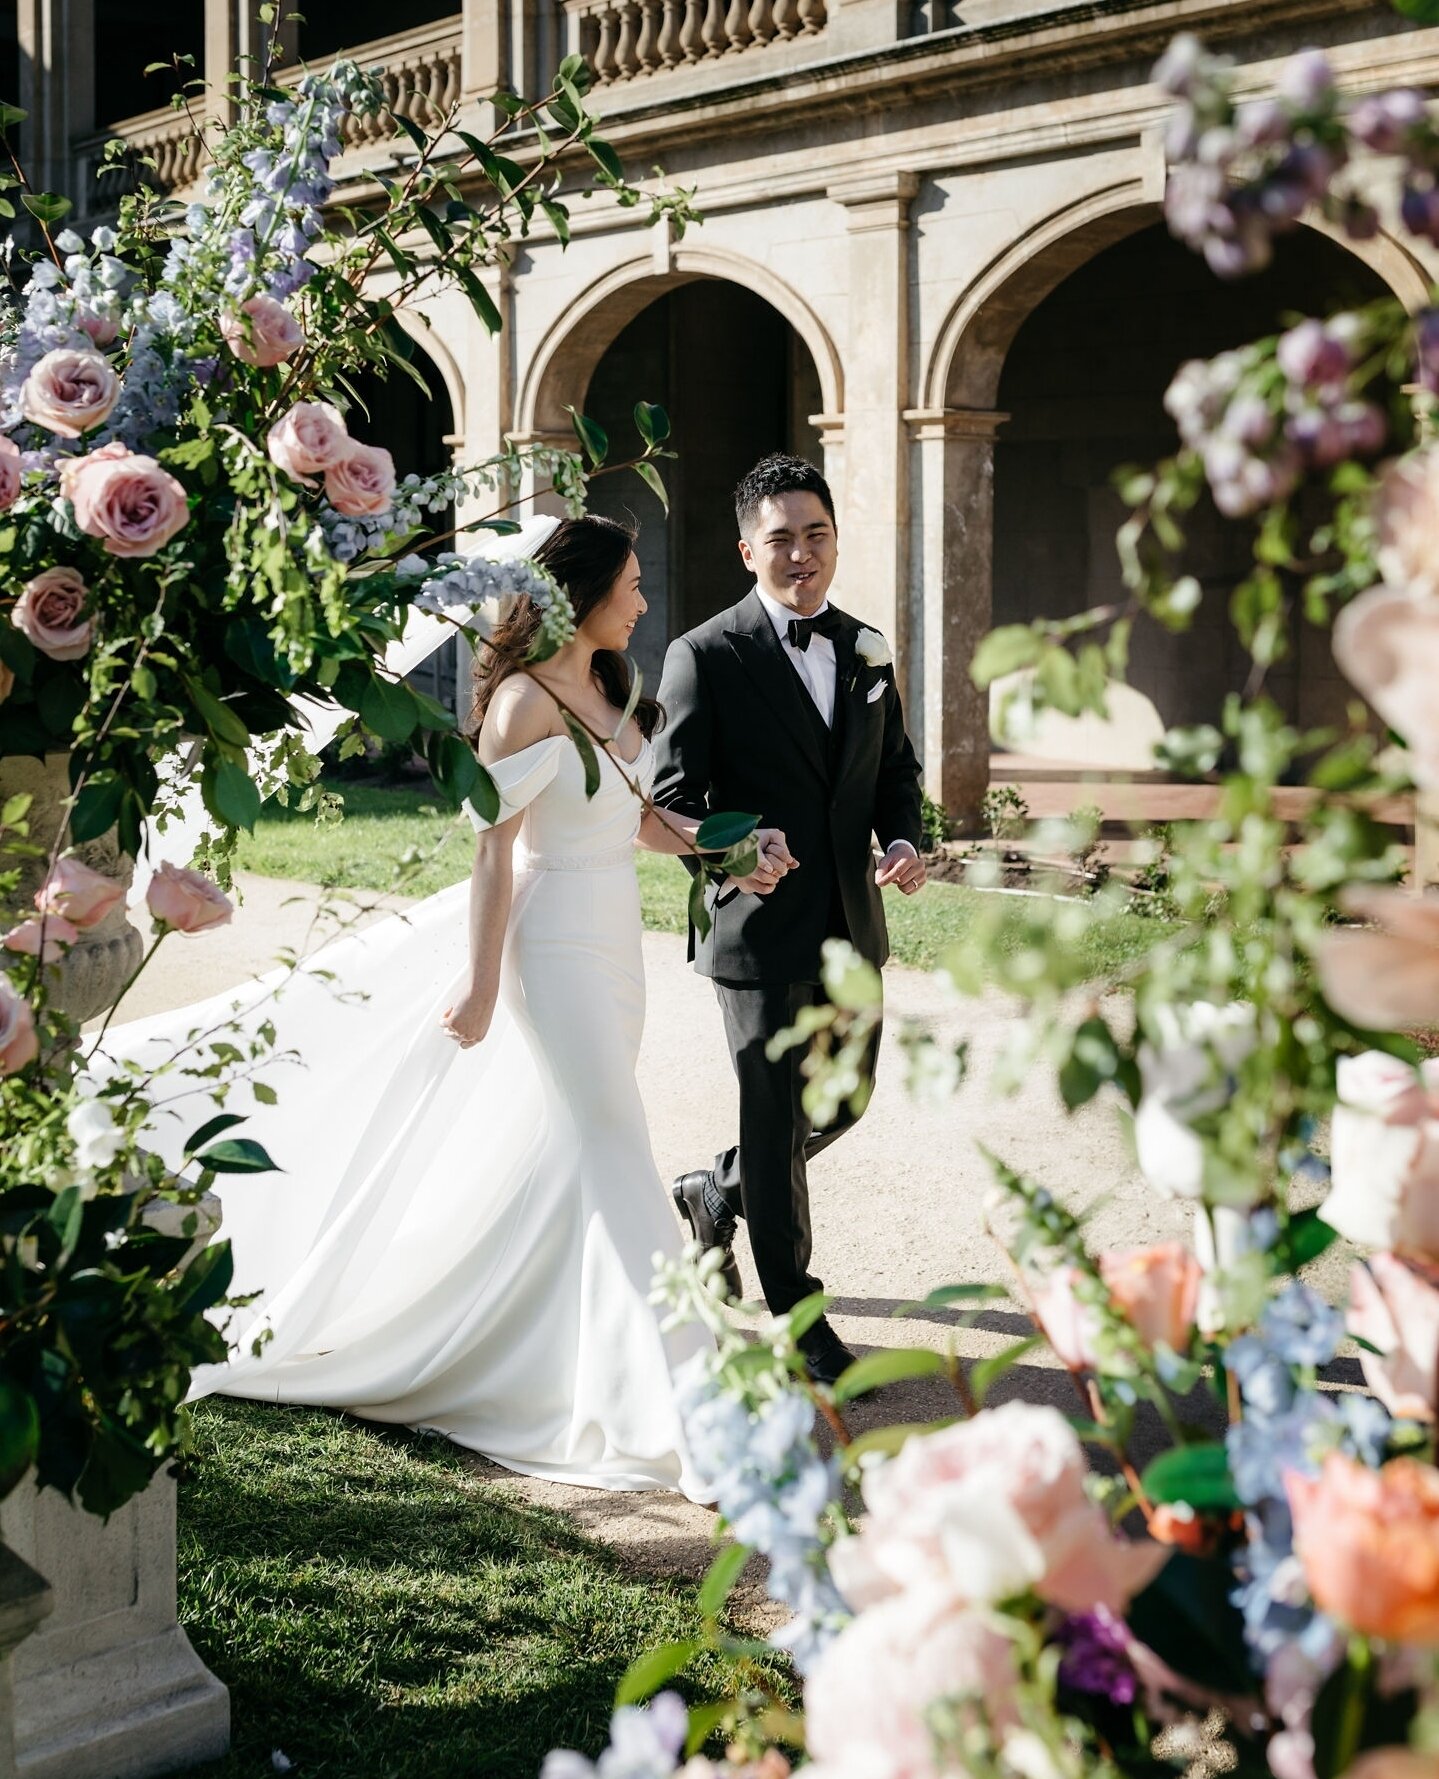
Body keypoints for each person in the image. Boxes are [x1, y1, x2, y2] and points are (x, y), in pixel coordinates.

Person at [106, 514, 791, 1497]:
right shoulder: (519, 703)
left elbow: (639, 815)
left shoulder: (609, 688)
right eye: (630, 584)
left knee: (573, 1163)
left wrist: (731, 847)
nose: (643, 599)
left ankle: (536, 1354)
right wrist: (475, 982)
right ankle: (687, 1413)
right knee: (613, 1154)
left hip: (614, 955)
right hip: (550, 953)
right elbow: (492, 851)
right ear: (583, 595)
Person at [654, 454, 926, 1387]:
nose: (800, 554)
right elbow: (670, 795)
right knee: (774, 1121)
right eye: (780, 539)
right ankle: (799, 1315)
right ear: (746, 549)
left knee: (841, 1101)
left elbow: (895, 771)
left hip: (851, 922)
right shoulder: (704, 653)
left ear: (834, 542)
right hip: (755, 929)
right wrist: (736, 854)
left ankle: (712, 1188)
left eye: (816, 536)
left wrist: (902, 838)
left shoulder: (866, 647)